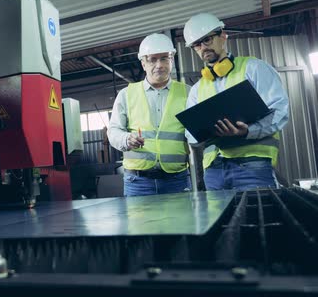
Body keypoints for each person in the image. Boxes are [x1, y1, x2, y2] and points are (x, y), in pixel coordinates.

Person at [182, 13, 289, 190]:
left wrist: (249, 130)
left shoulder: (254, 68)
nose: (203, 47)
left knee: (257, 216)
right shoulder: (196, 89)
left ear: (222, 36)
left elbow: (280, 111)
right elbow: (190, 135)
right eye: (197, 45)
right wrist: (201, 135)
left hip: (252, 166)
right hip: (214, 171)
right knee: (219, 219)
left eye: (207, 40)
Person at [108, 33, 191, 197]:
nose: (159, 65)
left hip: (177, 180)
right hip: (138, 183)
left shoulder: (188, 93)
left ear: (172, 60)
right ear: (143, 63)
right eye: (153, 59)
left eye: (164, 58)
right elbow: (113, 131)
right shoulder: (126, 94)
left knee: (182, 223)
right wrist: (126, 139)